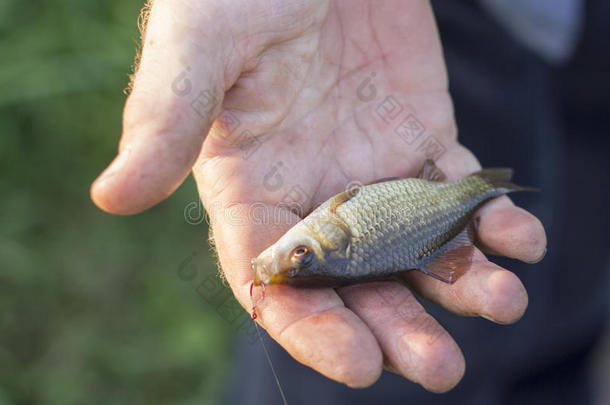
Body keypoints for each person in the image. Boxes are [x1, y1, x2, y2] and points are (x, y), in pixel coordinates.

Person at [91, 0, 609, 403]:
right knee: (372, 373)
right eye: (302, 256)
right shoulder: (336, 228)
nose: (289, 253)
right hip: (432, 28)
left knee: (573, 291)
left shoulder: (328, 224)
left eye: (301, 257)